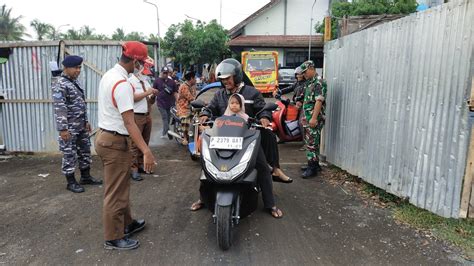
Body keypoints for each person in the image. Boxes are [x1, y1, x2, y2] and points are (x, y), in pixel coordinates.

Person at [190, 58, 283, 218]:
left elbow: (262, 109)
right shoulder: (219, 94)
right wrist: (205, 114)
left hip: (247, 138)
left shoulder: (252, 93)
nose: (225, 81)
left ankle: (270, 204)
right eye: (222, 79)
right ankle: (203, 199)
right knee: (207, 166)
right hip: (222, 139)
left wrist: (265, 117)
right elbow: (210, 108)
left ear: (237, 76)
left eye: (228, 78)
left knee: (261, 167)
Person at [95, 41, 157, 250]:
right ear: (134, 61)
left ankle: (127, 223)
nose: (141, 67)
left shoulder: (110, 75)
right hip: (114, 141)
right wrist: (146, 151)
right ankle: (113, 237)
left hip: (107, 137)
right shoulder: (121, 84)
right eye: (141, 63)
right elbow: (130, 123)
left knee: (121, 186)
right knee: (115, 192)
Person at [52, 55, 102, 193]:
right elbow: (59, 107)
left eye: (80, 67)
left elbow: (80, 104)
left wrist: (86, 121)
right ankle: (71, 182)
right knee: (69, 154)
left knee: (85, 151)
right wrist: (63, 129)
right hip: (69, 128)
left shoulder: (75, 82)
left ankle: (86, 177)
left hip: (80, 125)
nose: (78, 70)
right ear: (66, 68)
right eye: (76, 67)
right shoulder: (60, 83)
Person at [128, 56, 158, 181]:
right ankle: (133, 169)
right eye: (145, 70)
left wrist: (153, 96)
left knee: (144, 142)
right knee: (135, 144)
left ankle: (141, 164)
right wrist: (147, 92)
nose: (146, 73)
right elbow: (133, 98)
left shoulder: (145, 82)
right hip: (136, 116)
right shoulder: (130, 82)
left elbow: (149, 101)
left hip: (146, 116)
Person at [299, 60, 326, 178]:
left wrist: (314, 118)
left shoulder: (319, 82)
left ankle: (312, 168)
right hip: (308, 117)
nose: (304, 75)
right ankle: (315, 163)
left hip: (313, 118)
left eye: (305, 72)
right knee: (312, 141)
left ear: (311, 68)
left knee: (311, 143)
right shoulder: (310, 82)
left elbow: (319, 100)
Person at [153, 66, 178, 139]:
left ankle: (165, 132)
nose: (165, 75)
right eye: (164, 73)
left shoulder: (172, 82)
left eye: (166, 73)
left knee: (168, 119)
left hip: (170, 104)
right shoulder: (157, 81)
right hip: (160, 103)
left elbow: (175, 92)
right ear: (161, 73)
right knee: (165, 118)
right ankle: (168, 133)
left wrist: (178, 101)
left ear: (169, 73)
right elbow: (154, 91)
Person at [176, 70, 197, 145]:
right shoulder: (184, 86)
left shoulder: (191, 86)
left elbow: (195, 97)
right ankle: (185, 137)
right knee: (186, 118)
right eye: (195, 78)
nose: (196, 80)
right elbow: (191, 98)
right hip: (183, 107)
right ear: (191, 78)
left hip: (190, 107)